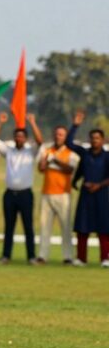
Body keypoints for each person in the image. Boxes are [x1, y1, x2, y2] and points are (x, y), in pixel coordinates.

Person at [0, 112, 42, 264]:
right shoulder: (9, 151)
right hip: (10, 194)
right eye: (17, 136)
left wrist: (32, 122)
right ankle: (6, 256)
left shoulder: (30, 152)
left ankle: (31, 257)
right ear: (14, 138)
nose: (19, 138)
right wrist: (0, 122)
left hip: (26, 194)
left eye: (21, 136)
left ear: (25, 139)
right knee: (9, 227)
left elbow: (39, 141)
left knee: (28, 227)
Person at [66, 110, 109, 267]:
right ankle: (81, 258)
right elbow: (68, 143)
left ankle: (105, 258)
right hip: (86, 195)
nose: (94, 141)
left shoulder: (107, 157)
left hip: (102, 195)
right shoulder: (85, 153)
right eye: (92, 138)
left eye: (97, 138)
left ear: (102, 140)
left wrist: (99, 185)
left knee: (104, 228)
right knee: (83, 227)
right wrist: (75, 125)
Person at [36, 123, 78, 264]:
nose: (58, 137)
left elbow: (69, 169)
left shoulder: (69, 153)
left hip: (63, 194)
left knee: (65, 227)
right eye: (56, 134)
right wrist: (45, 161)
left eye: (61, 135)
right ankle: (42, 255)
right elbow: (41, 168)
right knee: (44, 226)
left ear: (65, 137)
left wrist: (54, 160)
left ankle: (67, 257)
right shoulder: (47, 150)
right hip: (47, 193)